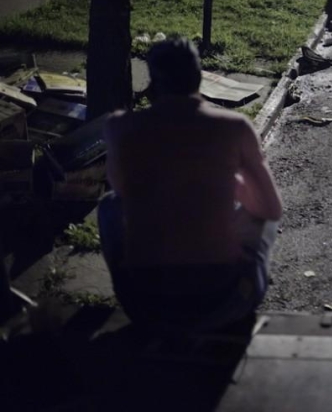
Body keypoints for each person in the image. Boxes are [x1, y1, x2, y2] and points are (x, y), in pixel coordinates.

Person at [98, 37, 283, 333]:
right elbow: (270, 208)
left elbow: (123, 191)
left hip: (144, 305)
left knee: (109, 206)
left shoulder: (119, 127)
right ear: (198, 78)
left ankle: (131, 286)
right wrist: (230, 181)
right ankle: (244, 285)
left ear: (153, 82)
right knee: (260, 215)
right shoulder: (234, 126)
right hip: (222, 302)